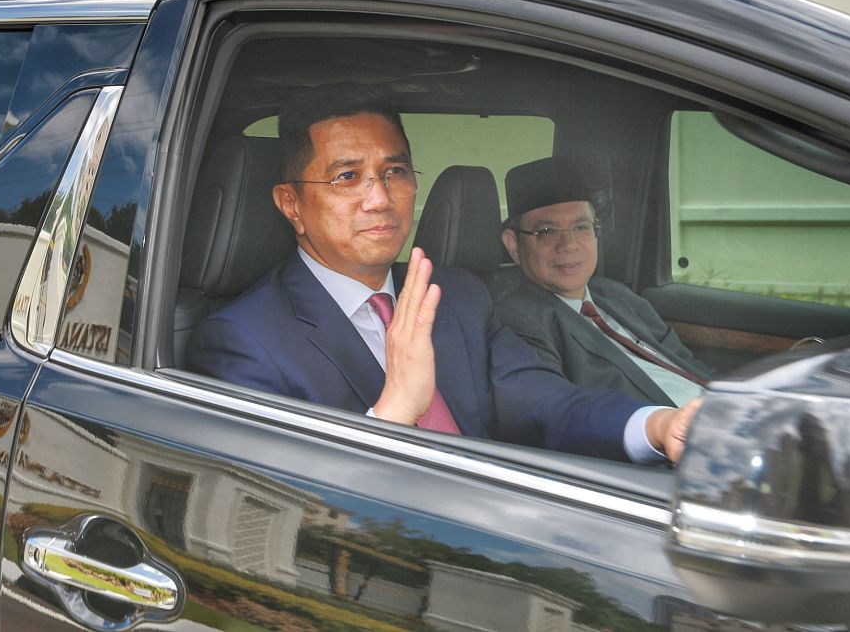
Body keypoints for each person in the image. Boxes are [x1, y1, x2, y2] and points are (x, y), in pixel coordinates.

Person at [186, 83, 699, 463]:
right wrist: (393, 414)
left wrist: (656, 426)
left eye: (396, 172)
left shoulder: (454, 294)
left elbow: (544, 403)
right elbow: (272, 501)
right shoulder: (242, 340)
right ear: (291, 204)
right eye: (348, 177)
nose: (380, 199)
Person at [491, 168, 714, 407]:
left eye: (581, 227)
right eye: (546, 231)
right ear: (513, 245)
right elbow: (552, 410)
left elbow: (688, 364)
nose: (569, 245)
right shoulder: (518, 319)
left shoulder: (616, 295)